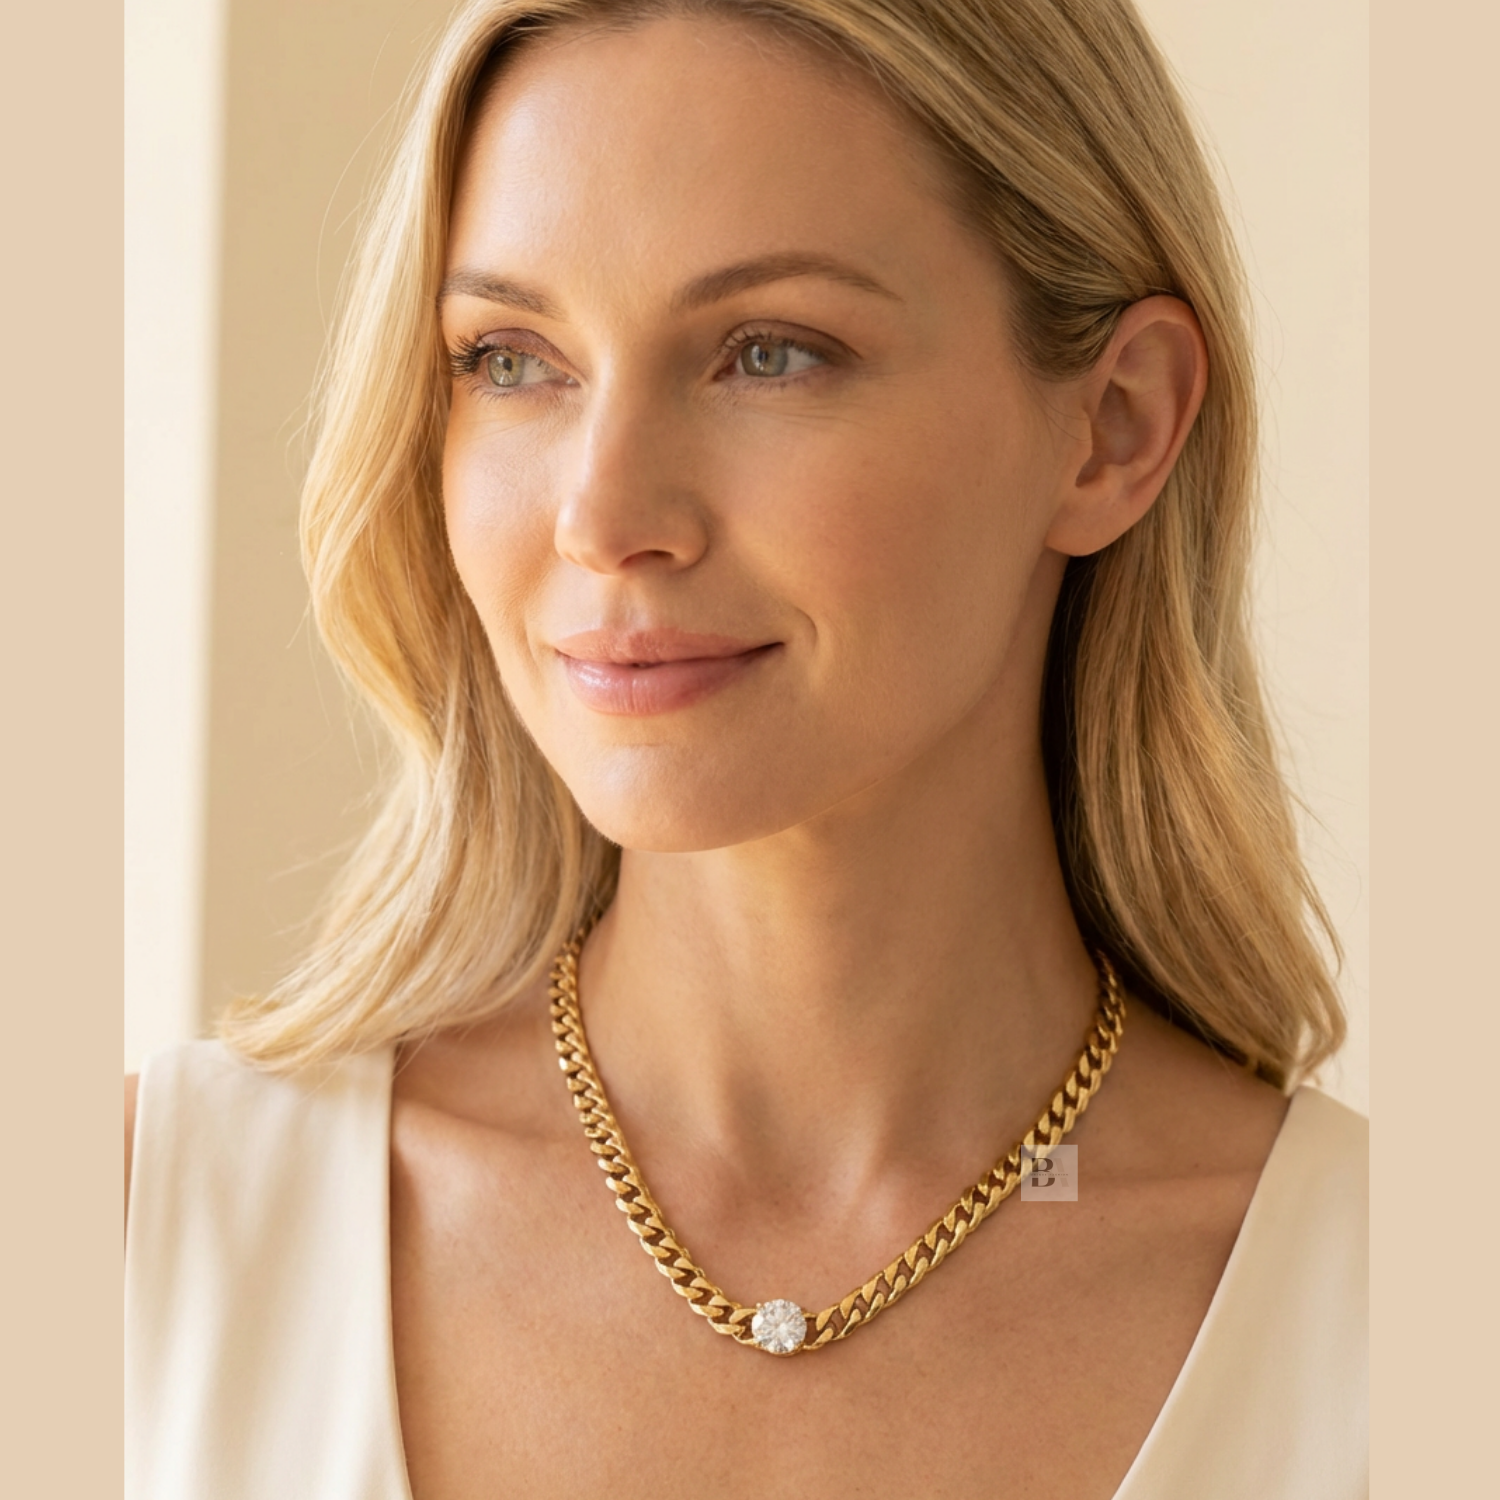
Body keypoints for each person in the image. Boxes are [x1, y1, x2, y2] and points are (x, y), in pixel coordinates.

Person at [125, 1, 1368, 1495]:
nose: (602, 513)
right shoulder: (140, 1240)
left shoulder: (1394, 1324)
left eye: (769, 353)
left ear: (1112, 426)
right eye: (511, 358)